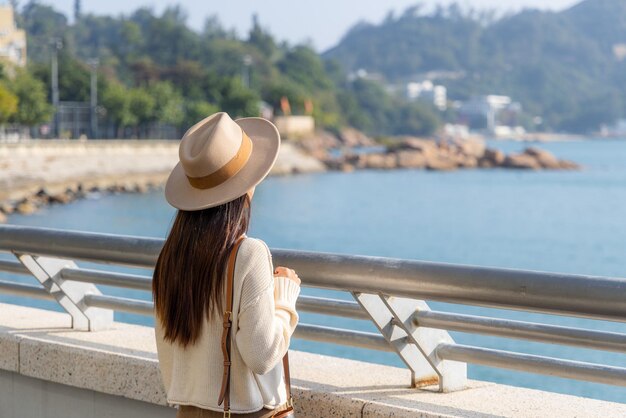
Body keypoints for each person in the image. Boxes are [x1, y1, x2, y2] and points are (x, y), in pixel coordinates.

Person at [152, 112, 301, 417]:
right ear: (246, 186)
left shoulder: (171, 257)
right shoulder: (249, 253)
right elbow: (262, 355)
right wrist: (284, 298)